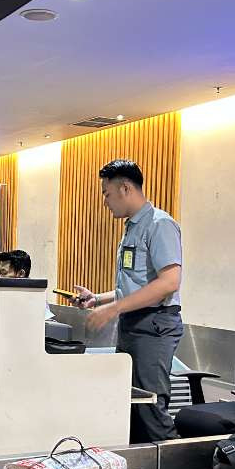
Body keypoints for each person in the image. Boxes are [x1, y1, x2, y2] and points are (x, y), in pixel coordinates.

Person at [73, 159, 183, 443]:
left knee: (150, 405)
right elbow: (138, 284)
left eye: (107, 194)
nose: (105, 201)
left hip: (154, 325)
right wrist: (98, 299)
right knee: (129, 403)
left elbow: (169, 283)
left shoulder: (160, 224)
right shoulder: (132, 228)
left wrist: (115, 308)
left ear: (125, 188)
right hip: (134, 323)